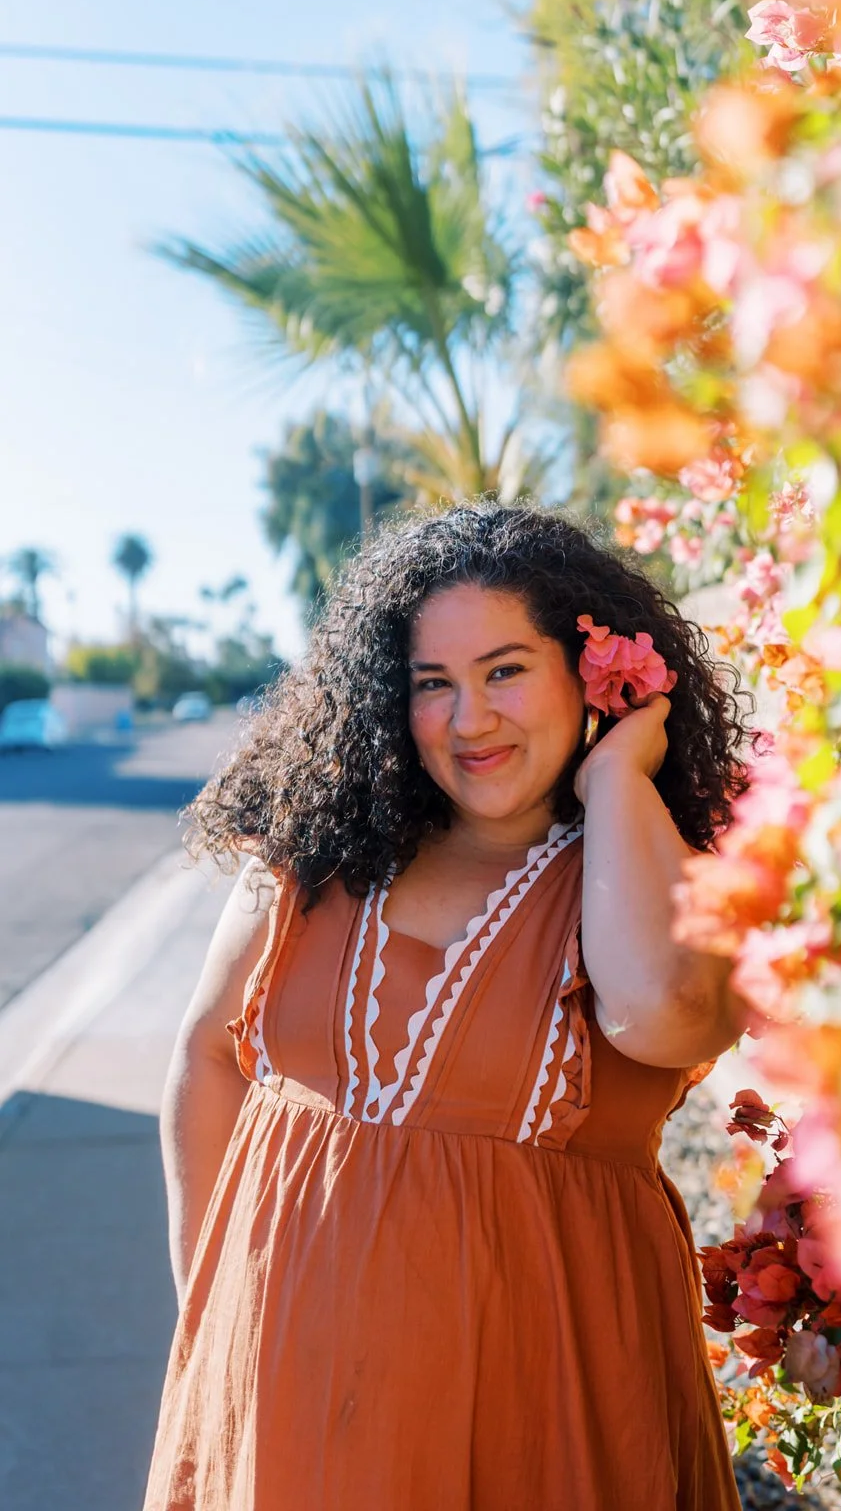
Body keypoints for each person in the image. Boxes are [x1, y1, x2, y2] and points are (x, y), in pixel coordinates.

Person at [144, 501, 750, 1511]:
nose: (468, 720)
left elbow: (664, 1014)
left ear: (590, 669)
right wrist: (216, 1315)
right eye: (433, 683)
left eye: (505, 670)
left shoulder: (643, 867)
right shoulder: (319, 853)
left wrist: (614, 781)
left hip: (542, 1413)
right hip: (290, 1404)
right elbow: (208, 1055)